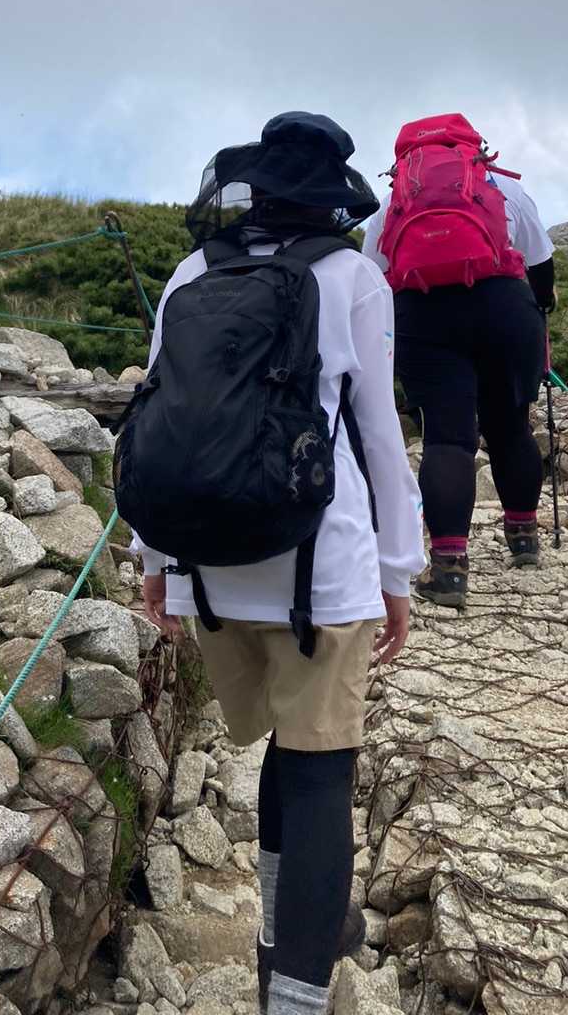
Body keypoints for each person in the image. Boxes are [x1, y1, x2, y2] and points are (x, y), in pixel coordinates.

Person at [127, 113, 425, 1015]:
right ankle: (292, 993)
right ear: (331, 196)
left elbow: (157, 423)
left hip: (210, 567)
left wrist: (155, 557)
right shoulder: (353, 277)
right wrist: (398, 571)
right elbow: (379, 435)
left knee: (284, 750)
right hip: (319, 571)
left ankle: (279, 933)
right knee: (320, 764)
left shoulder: (192, 273)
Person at [362, 113, 556, 610]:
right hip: (504, 309)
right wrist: (539, 309)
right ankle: (524, 539)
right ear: (474, 146)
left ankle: (449, 569)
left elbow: (373, 275)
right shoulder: (502, 187)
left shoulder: (394, 202)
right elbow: (541, 264)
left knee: (447, 438)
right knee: (511, 425)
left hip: (423, 315)